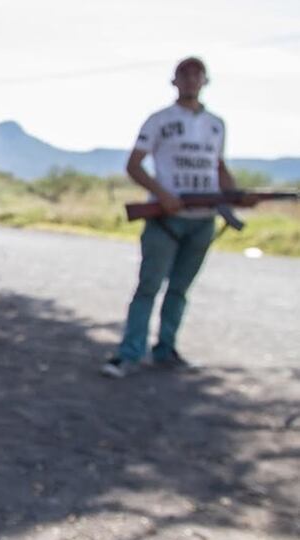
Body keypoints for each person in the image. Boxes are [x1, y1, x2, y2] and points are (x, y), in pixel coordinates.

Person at [101, 57, 247, 378]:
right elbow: (134, 164)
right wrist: (163, 194)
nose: (192, 79)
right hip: (165, 219)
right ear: (175, 80)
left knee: (180, 289)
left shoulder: (216, 124)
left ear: (205, 81)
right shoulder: (159, 121)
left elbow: (217, 166)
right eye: (185, 73)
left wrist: (236, 194)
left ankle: (166, 349)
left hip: (203, 219)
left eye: (198, 74)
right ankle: (129, 353)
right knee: (148, 286)